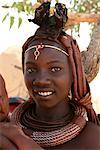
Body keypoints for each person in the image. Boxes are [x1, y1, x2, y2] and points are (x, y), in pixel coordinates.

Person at [0, 1, 100, 150]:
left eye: (54, 69)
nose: (41, 80)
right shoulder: (6, 129)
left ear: (74, 73)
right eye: (31, 70)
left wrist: (21, 140)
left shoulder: (93, 139)